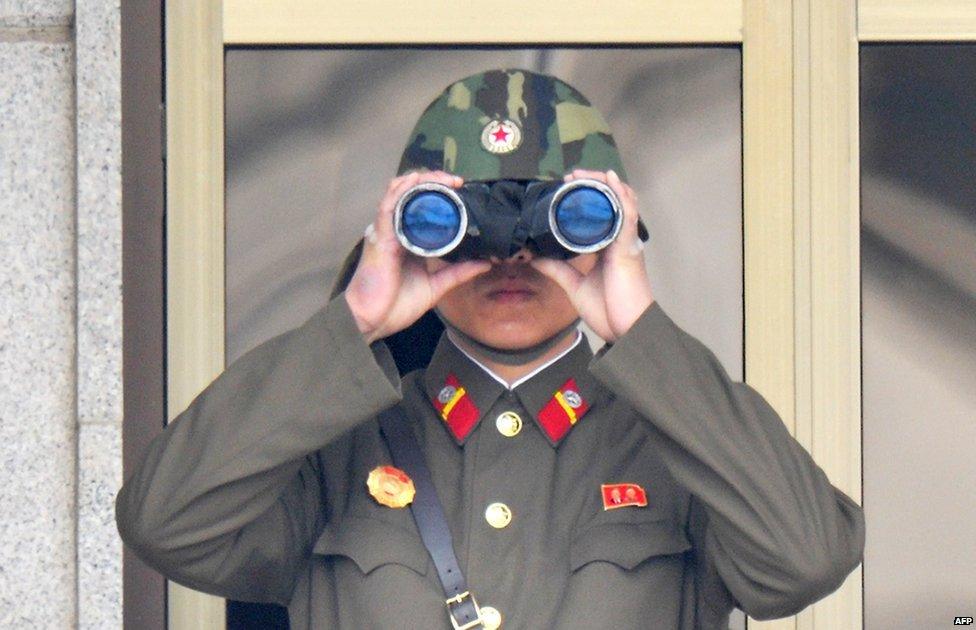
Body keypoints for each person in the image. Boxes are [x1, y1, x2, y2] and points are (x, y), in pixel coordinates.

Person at [115, 68, 865, 629]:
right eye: (465, 227)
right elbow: (164, 521)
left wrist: (638, 324)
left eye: (551, 228)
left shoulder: (671, 448)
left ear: (612, 232)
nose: (511, 259)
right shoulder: (336, 451)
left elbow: (806, 559)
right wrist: (356, 319)